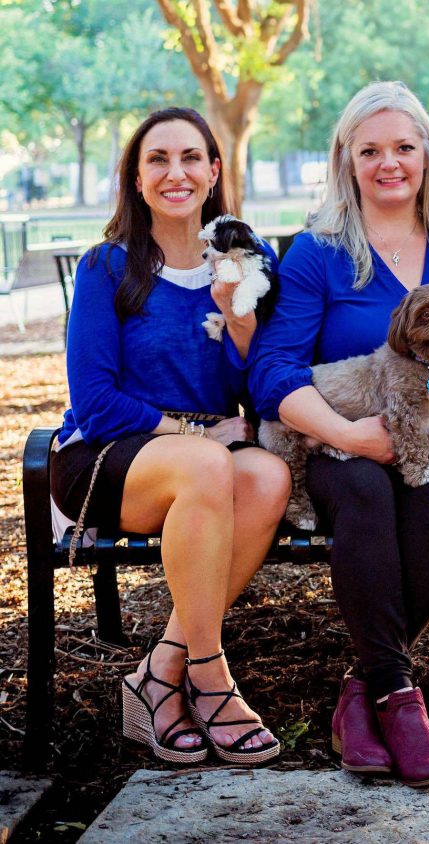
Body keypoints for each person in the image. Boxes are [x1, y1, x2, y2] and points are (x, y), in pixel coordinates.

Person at [248, 81, 429, 788]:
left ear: (427, 156)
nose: (388, 163)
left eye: (403, 147)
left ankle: (366, 688)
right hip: (337, 445)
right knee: (364, 490)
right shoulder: (318, 254)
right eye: (370, 150)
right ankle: (399, 695)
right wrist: (352, 437)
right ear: (346, 160)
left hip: (428, 441)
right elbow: (272, 369)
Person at [50, 107, 290, 766]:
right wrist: (198, 430)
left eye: (191, 158)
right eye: (158, 159)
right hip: (107, 457)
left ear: (215, 172)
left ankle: (158, 673)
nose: (175, 172)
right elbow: (94, 401)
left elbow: (262, 381)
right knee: (210, 465)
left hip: (206, 461)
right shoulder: (108, 267)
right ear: (135, 176)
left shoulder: (250, 260)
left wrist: (235, 316)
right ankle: (209, 676)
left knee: (269, 476)